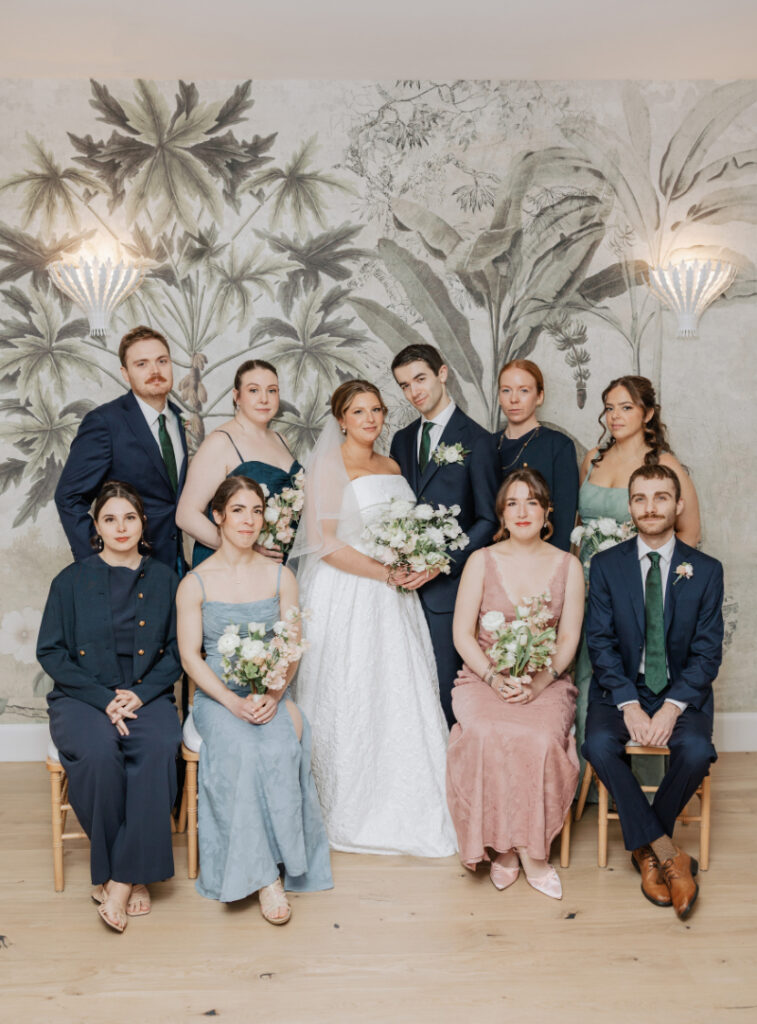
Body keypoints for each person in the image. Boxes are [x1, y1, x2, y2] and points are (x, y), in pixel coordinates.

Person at [291, 380, 456, 858]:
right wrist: (386, 572)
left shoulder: (391, 465)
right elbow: (324, 544)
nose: (370, 419)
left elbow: (406, 528)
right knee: (351, 689)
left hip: (394, 597)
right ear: (340, 418)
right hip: (351, 590)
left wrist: (413, 559)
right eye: (358, 411)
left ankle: (408, 800)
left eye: (377, 410)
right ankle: (345, 803)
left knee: (398, 692)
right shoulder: (327, 465)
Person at [176, 476, 332, 924]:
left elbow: (292, 646)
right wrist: (231, 701)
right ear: (219, 516)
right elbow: (190, 656)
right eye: (239, 510)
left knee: (281, 745)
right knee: (243, 749)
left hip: (269, 693)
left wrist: (271, 693)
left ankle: (282, 860)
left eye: (257, 511)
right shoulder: (196, 582)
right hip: (217, 698)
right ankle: (264, 879)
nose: (249, 520)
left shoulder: (281, 576)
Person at [37, 481, 182, 932]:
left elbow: (179, 651)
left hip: (145, 692)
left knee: (158, 747)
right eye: (110, 519)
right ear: (96, 527)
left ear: (143, 524)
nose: (122, 527)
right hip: (83, 695)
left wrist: (139, 694)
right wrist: (104, 700)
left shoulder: (165, 579)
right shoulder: (71, 580)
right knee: (100, 754)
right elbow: (52, 653)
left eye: (130, 518)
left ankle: (118, 880)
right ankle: (133, 875)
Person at [582, 464, 722, 920]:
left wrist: (670, 709)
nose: (650, 507)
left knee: (697, 750)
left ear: (678, 505)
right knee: (599, 744)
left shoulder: (705, 570)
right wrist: (628, 703)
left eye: (661, 497)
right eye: (640, 498)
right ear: (630, 507)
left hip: (680, 689)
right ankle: (667, 853)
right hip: (620, 687)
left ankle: (645, 848)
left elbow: (706, 654)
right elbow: (599, 643)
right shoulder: (605, 566)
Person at [446, 469, 584, 899]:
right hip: (482, 679)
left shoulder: (569, 566)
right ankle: (502, 848)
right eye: (512, 503)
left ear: (547, 512)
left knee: (540, 737)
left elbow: (568, 640)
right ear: (502, 515)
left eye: (531, 502)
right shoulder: (481, 561)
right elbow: (462, 634)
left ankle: (533, 850)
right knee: (487, 732)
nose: (522, 511)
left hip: (546, 681)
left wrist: (538, 684)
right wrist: (492, 675)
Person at [574, 375, 701, 789]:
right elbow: (577, 526)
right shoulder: (593, 458)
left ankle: (641, 784)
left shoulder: (664, 464)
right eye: (609, 408)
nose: (615, 416)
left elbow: (690, 535)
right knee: (589, 675)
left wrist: (645, 578)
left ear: (647, 413)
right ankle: (590, 784)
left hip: (638, 587)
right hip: (588, 585)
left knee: (635, 670)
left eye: (626, 407)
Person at [389, 344, 499, 726]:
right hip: (400, 591)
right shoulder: (401, 441)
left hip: (448, 591)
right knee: (405, 689)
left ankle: (454, 778)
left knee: (444, 692)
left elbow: (488, 520)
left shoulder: (479, 440)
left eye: (420, 379)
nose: (414, 392)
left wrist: (440, 564)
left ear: (442, 373)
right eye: (404, 385)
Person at [55, 326, 188, 573]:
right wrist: (100, 563)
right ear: (125, 373)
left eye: (162, 361)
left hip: (174, 570)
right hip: (127, 572)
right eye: (142, 364)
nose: (155, 371)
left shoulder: (177, 420)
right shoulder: (105, 422)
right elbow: (69, 498)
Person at [176, 359, 301, 565]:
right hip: (231, 566)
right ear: (237, 397)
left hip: (275, 565)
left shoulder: (281, 439)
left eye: (272, 391)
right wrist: (244, 548)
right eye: (253, 390)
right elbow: (185, 515)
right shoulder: (221, 442)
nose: (264, 399)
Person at [492, 359, 578, 552]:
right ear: (499, 396)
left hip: (543, 558)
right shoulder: (486, 445)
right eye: (506, 390)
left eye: (524, 390)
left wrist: (553, 568)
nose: (514, 399)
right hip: (493, 557)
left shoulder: (559, 446)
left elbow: (564, 521)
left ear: (539, 396)